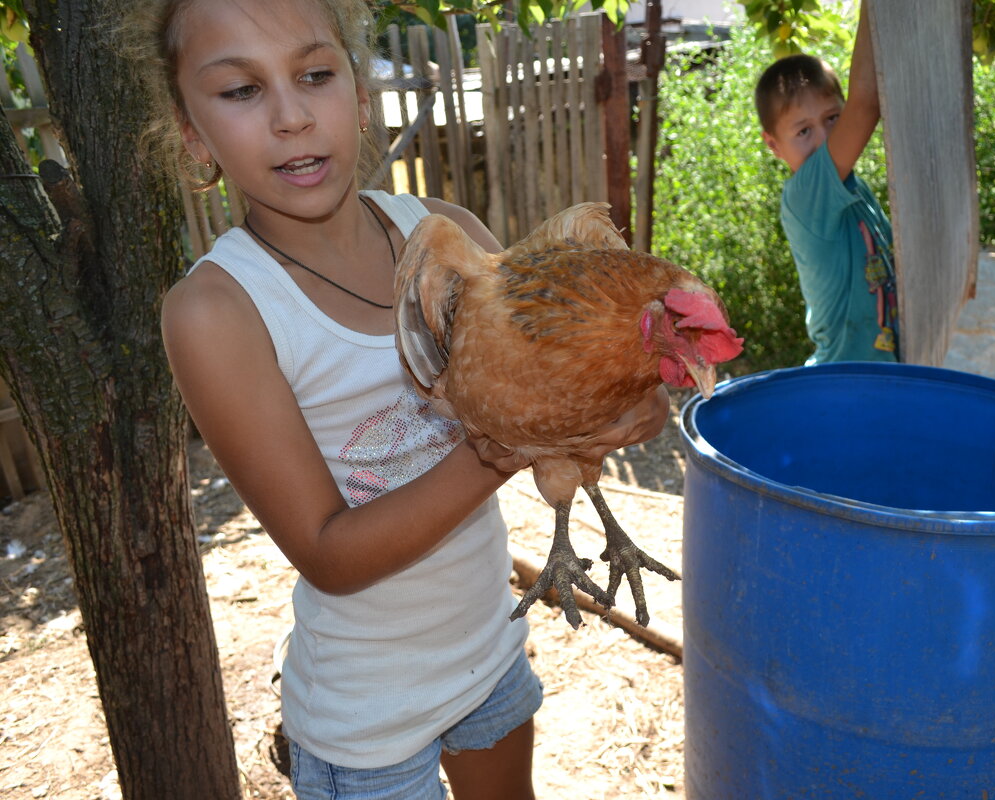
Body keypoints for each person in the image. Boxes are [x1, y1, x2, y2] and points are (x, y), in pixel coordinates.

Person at [128, 1, 669, 798]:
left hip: (489, 651)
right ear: (189, 132)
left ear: (360, 91)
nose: (290, 117)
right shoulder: (218, 312)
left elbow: (552, 386)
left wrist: (622, 400)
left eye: (315, 75)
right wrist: (509, 444)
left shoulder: (448, 235)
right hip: (365, 720)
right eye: (240, 92)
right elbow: (328, 552)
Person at [755, 0, 899, 365]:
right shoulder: (806, 194)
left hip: (881, 374)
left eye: (833, 118)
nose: (822, 138)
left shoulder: (854, 188)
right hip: (842, 376)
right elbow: (866, 103)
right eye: (803, 130)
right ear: (773, 144)